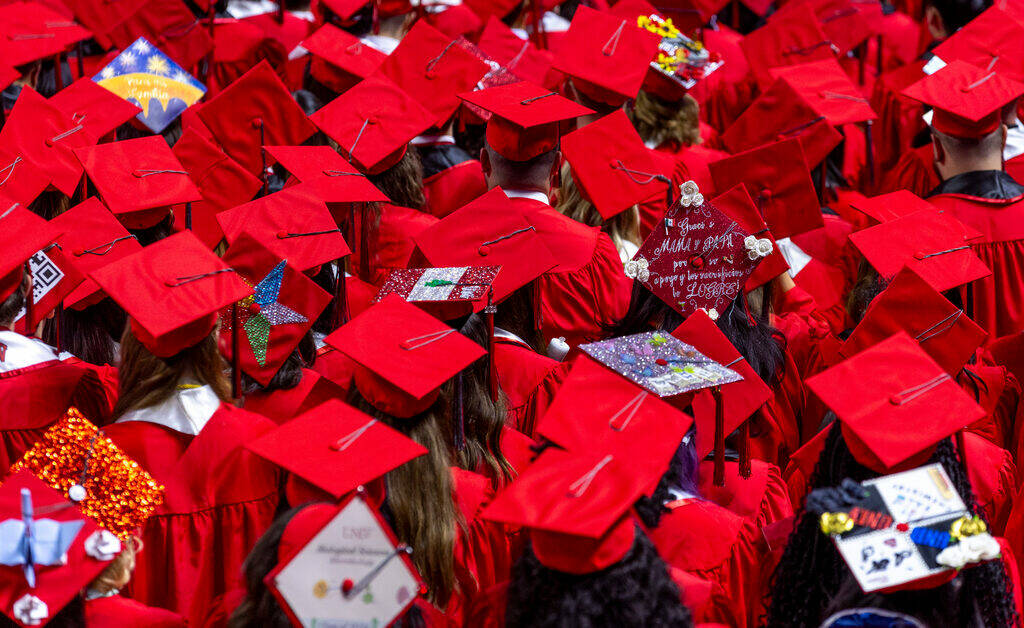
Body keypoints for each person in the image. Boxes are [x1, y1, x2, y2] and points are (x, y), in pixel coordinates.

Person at [89, 231, 282, 625]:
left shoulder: (100, 451)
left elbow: (87, 587)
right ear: (213, 339)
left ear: (134, 341)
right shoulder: (263, 438)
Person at [460, 81, 633, 351]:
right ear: (556, 166)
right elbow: (619, 339)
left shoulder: (448, 244)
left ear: (483, 161)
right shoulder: (594, 251)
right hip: (569, 390)